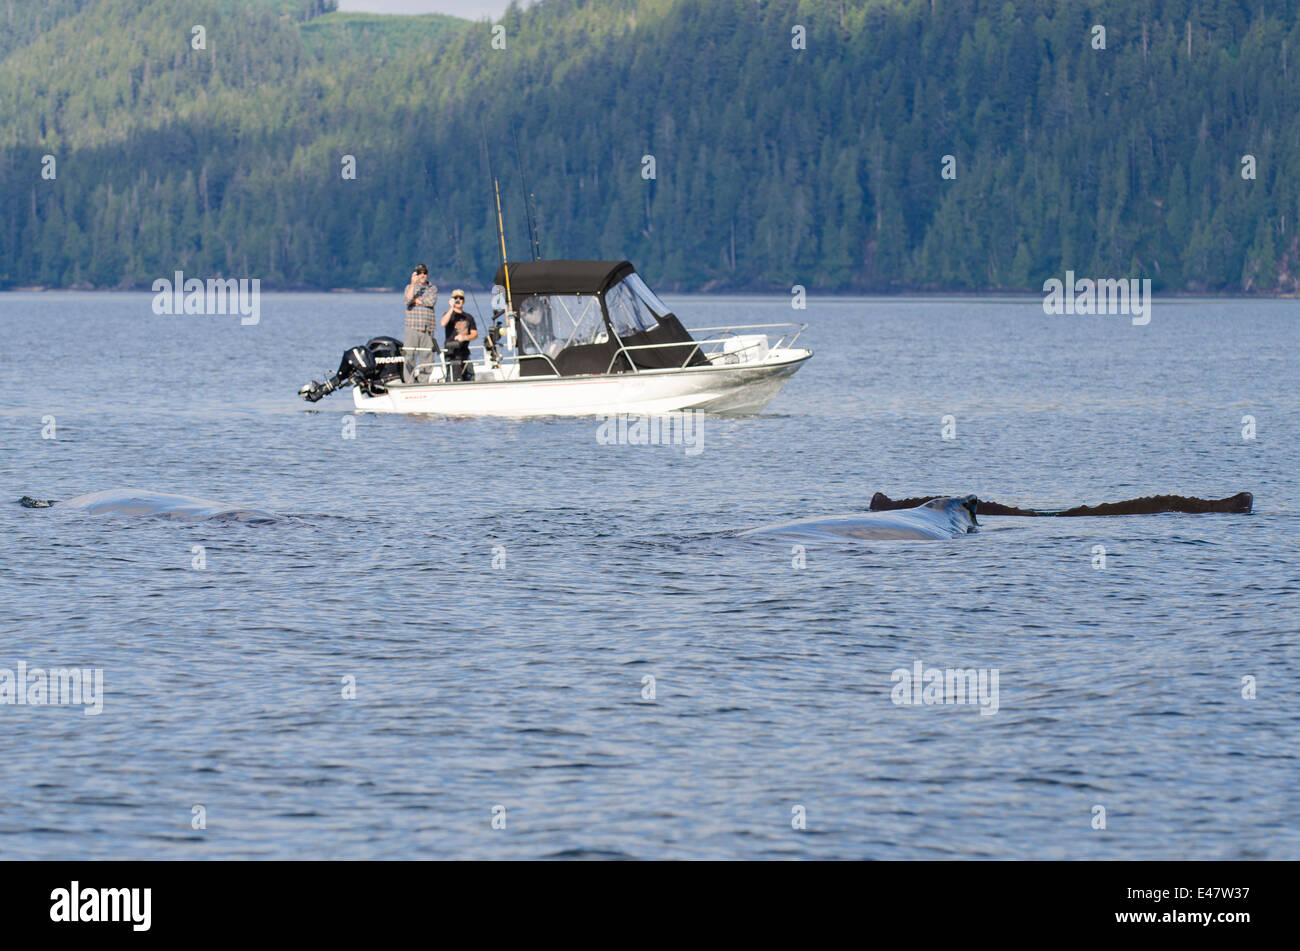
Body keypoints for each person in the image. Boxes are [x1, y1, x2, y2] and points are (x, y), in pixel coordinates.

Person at [403, 264, 438, 383]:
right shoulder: (409, 287)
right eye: (419, 273)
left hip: (428, 328)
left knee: (428, 356)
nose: (422, 275)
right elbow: (407, 300)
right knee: (410, 355)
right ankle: (409, 382)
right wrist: (413, 284)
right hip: (412, 327)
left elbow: (431, 301)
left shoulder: (432, 288)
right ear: (415, 275)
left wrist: (417, 300)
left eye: (424, 273)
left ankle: (424, 381)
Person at [440, 289, 478, 381]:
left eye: (460, 298)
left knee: (470, 376)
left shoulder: (468, 317)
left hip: (464, 352)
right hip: (451, 353)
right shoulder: (448, 314)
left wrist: (464, 337)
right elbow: (443, 323)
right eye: (456, 298)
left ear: (463, 300)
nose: (458, 300)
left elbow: (475, 334)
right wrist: (451, 308)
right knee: (451, 377)